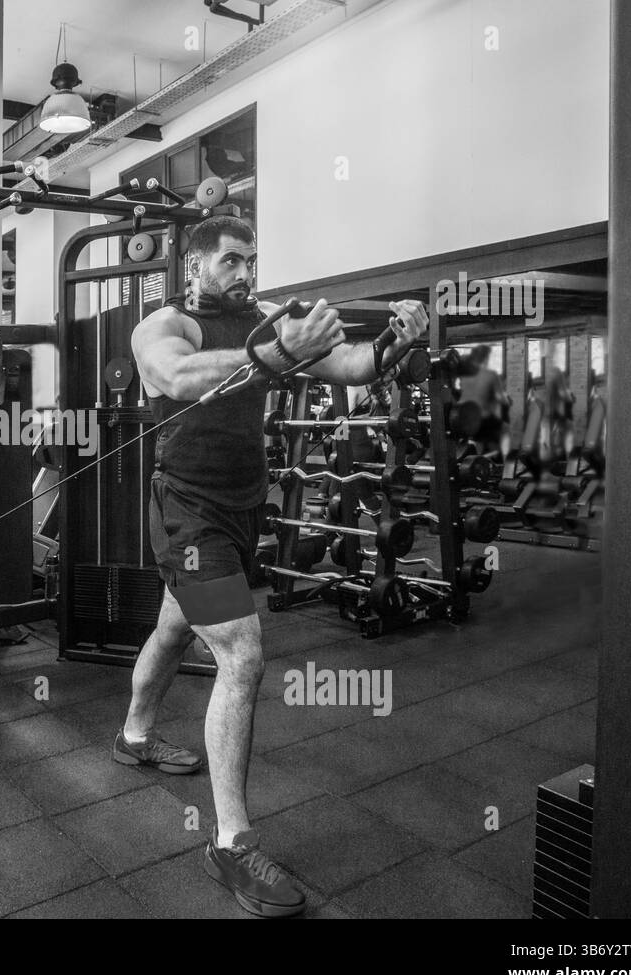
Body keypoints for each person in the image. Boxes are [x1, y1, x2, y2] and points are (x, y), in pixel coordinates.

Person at [118, 217, 428, 917]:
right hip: (188, 511)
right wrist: (272, 353)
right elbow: (175, 376)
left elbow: (347, 365)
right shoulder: (168, 325)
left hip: (243, 507)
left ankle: (132, 735)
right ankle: (230, 843)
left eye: (251, 261)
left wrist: (393, 342)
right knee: (242, 654)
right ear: (194, 266)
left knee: (174, 630)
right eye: (230, 261)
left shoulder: (263, 321)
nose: (245, 273)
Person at [458, 344, 510, 455]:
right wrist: (507, 400)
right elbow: (501, 398)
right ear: (486, 358)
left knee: (479, 438)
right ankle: (507, 465)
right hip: (481, 420)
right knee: (506, 429)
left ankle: (478, 459)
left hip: (462, 419)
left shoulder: (464, 375)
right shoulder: (490, 375)